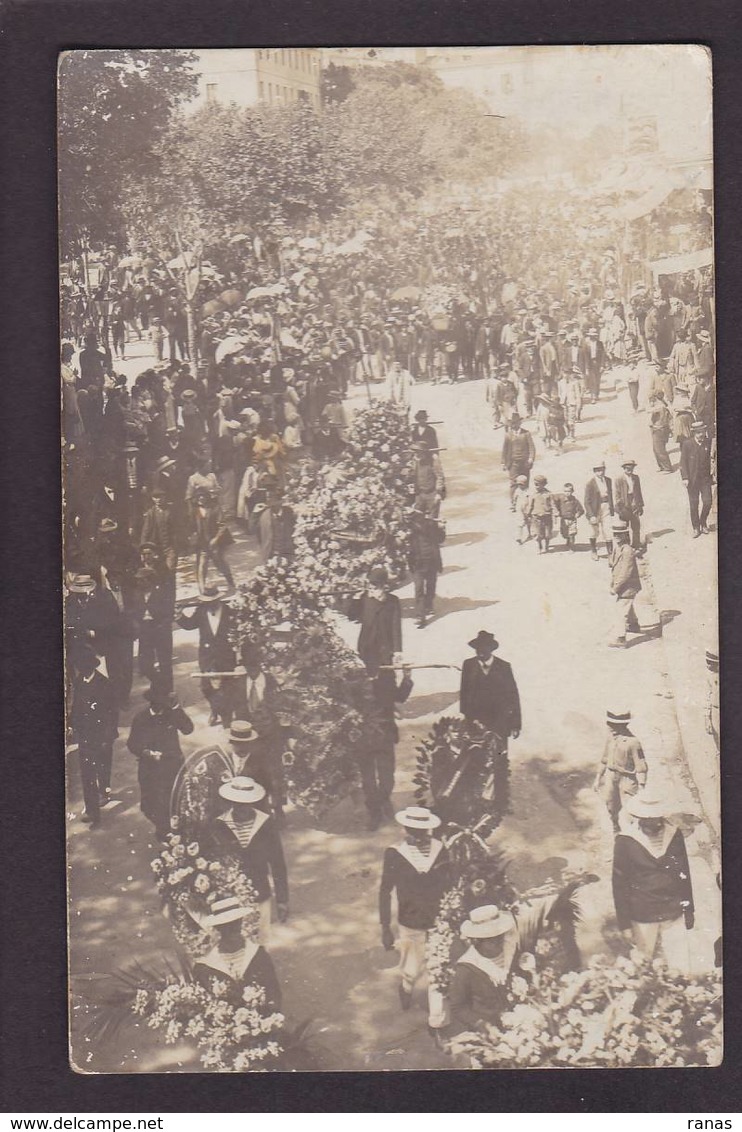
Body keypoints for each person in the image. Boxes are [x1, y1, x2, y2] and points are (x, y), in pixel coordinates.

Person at [379, 806, 449, 1028]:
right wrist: (385, 926)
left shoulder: (440, 849)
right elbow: (385, 890)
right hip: (410, 921)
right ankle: (406, 987)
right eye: (413, 830)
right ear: (406, 828)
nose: (418, 834)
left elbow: (449, 884)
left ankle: (436, 1022)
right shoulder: (395, 853)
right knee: (411, 969)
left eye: (423, 830)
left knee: (438, 971)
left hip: (439, 921)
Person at [612, 791, 695, 973]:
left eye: (655, 818)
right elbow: (619, 884)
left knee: (681, 967)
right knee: (642, 967)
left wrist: (688, 909)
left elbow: (684, 873)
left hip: (672, 909)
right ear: (639, 817)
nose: (652, 823)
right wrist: (624, 924)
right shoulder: (625, 841)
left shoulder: (674, 835)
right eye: (646, 819)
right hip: (642, 912)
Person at [210, 776, 289, 945]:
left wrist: (282, 900)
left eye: (245, 803)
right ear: (231, 802)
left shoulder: (265, 823)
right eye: (237, 803)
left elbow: (278, 863)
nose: (241, 807)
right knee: (236, 943)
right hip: (230, 897)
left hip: (260, 892)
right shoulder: (219, 825)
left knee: (261, 941)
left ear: (252, 802)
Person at [127, 678, 194, 840]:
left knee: (175, 801)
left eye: (165, 702)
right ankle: (163, 828)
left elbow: (188, 729)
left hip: (173, 767)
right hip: (150, 769)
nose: (162, 706)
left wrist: (177, 708)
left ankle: (171, 834)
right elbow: (132, 744)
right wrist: (146, 753)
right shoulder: (141, 718)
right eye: (159, 702)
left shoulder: (172, 714)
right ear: (152, 702)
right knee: (149, 805)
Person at [439, 905, 518, 1036]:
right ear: (478, 941)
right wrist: (479, 1023)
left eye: (500, 936)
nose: (498, 941)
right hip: (491, 1030)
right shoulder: (467, 967)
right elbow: (458, 1006)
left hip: (520, 1020)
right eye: (491, 939)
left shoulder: (511, 951)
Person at [193, 895, 282, 1010]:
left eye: (235, 924)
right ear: (218, 928)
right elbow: (204, 1006)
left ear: (240, 922)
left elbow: (274, 993)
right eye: (225, 926)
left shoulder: (258, 955)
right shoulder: (206, 967)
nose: (231, 930)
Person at [69, 648, 118, 828]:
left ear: (90, 666)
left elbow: (113, 713)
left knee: (102, 768)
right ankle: (92, 812)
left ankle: (105, 792)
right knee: (87, 774)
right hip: (85, 737)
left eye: (83, 666)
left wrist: (108, 737)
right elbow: (76, 707)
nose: (80, 670)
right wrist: (72, 725)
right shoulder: (79, 682)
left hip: (102, 736)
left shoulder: (105, 684)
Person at [360, 665, 413, 831]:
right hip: (363, 737)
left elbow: (400, 697)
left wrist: (407, 678)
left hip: (385, 735)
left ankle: (383, 800)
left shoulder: (387, 677)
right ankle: (374, 812)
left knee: (387, 777)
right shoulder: (357, 679)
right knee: (368, 779)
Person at [176, 588, 236, 727]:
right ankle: (215, 710)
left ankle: (226, 717)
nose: (209, 604)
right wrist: (179, 615)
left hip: (226, 656)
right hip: (207, 657)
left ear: (218, 599)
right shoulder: (201, 611)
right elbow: (190, 625)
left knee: (227, 688)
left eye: (211, 602)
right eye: (206, 602)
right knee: (207, 687)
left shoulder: (230, 611)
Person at [459, 630, 521, 750]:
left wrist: (515, 724)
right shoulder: (468, 665)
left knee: (498, 759)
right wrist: (469, 719)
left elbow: (513, 696)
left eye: (484, 648)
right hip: (475, 722)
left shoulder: (503, 666)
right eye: (477, 648)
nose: (480, 651)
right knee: (475, 759)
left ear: (491, 649)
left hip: (499, 722)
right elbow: (464, 694)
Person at [594, 709, 648, 833]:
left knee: (631, 809)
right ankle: (616, 829)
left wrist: (642, 786)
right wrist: (597, 778)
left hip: (628, 779)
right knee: (611, 804)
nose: (609, 727)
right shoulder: (611, 739)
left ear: (621, 725)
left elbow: (641, 767)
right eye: (609, 724)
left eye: (612, 725)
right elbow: (604, 759)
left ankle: (634, 834)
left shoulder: (633, 742)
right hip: (612, 776)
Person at [347, 565, 403, 677]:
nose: (372, 589)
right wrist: (355, 600)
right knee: (369, 678)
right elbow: (351, 616)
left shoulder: (393, 601)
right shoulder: (364, 598)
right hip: (367, 645)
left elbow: (396, 626)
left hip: (385, 646)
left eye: (376, 586)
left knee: (387, 677)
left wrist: (397, 650)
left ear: (384, 586)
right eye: (370, 586)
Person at [132, 565, 174, 690]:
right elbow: (134, 612)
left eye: (142, 580)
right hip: (145, 630)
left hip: (160, 629)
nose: (139, 582)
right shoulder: (136, 594)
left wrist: (162, 627)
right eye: (138, 580)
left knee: (165, 663)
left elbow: (169, 613)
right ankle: (160, 685)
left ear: (150, 580)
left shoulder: (162, 593)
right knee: (145, 666)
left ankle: (168, 692)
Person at [408, 500, 445, 627]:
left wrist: (442, 528)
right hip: (417, 562)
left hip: (432, 561)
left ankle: (428, 605)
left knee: (430, 586)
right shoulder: (410, 526)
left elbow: (441, 539)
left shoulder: (432, 525)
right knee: (418, 589)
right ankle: (420, 615)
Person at [192, 487, 235, 593]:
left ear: (207, 497)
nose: (201, 498)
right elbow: (191, 526)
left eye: (203, 496)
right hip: (202, 543)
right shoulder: (194, 510)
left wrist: (216, 539)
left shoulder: (215, 508)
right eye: (198, 496)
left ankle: (231, 583)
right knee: (202, 566)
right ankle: (202, 589)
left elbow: (222, 525)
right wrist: (192, 536)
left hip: (216, 542)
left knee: (220, 563)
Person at [608, 521, 642, 648]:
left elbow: (626, 572)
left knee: (620, 610)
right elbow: (613, 565)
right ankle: (633, 625)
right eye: (615, 534)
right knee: (628, 606)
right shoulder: (618, 548)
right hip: (624, 585)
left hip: (628, 586)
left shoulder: (628, 551)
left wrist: (615, 588)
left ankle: (621, 638)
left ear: (625, 535)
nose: (616, 536)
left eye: (619, 534)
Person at [680, 422, 713, 537]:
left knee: (708, 502)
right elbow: (683, 462)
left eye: (703, 432)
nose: (701, 435)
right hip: (692, 481)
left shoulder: (708, 442)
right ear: (694, 433)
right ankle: (696, 527)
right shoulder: (687, 444)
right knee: (694, 505)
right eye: (698, 432)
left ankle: (703, 522)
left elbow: (712, 459)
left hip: (705, 480)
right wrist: (685, 477)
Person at [501, 415, 536, 508]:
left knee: (525, 482)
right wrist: (503, 463)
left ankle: (526, 502)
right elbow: (505, 449)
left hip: (525, 463)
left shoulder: (526, 434)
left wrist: (531, 459)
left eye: (515, 423)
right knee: (513, 483)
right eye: (512, 423)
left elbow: (532, 447)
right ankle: (513, 502)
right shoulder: (508, 435)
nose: (513, 425)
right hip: (513, 463)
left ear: (519, 423)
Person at [584, 461, 614, 561]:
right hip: (595, 509)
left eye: (602, 469)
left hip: (606, 508)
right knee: (594, 532)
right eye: (598, 470)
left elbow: (610, 495)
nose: (600, 472)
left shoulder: (608, 480)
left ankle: (610, 554)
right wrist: (591, 515)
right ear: (594, 471)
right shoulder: (590, 484)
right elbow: (587, 501)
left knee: (608, 531)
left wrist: (613, 508)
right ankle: (593, 551)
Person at [613, 460, 645, 553]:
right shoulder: (619, 479)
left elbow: (639, 492)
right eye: (627, 468)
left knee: (636, 525)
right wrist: (620, 507)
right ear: (624, 469)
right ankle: (626, 545)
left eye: (631, 468)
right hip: (624, 504)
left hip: (634, 502)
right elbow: (617, 494)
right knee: (624, 526)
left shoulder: (636, 478)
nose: (629, 470)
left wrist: (640, 505)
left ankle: (636, 544)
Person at [410, 443, 446, 516]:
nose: (417, 454)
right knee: (417, 517)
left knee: (432, 519)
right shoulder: (415, 460)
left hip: (432, 493)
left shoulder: (433, 460)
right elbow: (414, 475)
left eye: (419, 452)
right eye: (415, 452)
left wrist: (438, 493)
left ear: (424, 452)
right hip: (420, 494)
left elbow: (440, 477)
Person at [525, 473, 553, 554]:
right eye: (535, 484)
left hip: (547, 516)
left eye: (538, 484)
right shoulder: (533, 494)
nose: (536, 486)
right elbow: (530, 505)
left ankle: (546, 546)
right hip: (536, 517)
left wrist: (555, 513)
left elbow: (552, 504)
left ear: (543, 484)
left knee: (547, 534)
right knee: (538, 534)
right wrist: (528, 513)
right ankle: (539, 547)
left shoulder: (548, 494)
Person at [553, 482, 584, 551]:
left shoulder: (575, 501)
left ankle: (571, 547)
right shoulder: (560, 500)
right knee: (564, 533)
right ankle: (567, 539)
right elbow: (553, 501)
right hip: (564, 519)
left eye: (569, 491)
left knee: (572, 533)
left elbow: (581, 510)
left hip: (572, 519)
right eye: (565, 491)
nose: (567, 493)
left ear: (572, 491)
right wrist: (556, 512)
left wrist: (578, 513)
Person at [649, 392, 674, 473]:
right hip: (657, 429)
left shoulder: (660, 407)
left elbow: (653, 414)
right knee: (656, 449)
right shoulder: (661, 406)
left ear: (655, 398)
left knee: (660, 449)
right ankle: (662, 466)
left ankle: (667, 467)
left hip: (659, 430)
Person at [705, 647, 720, 753]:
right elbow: (708, 698)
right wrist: (707, 718)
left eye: (711, 663)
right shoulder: (710, 677)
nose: (708, 665)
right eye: (707, 662)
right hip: (715, 712)